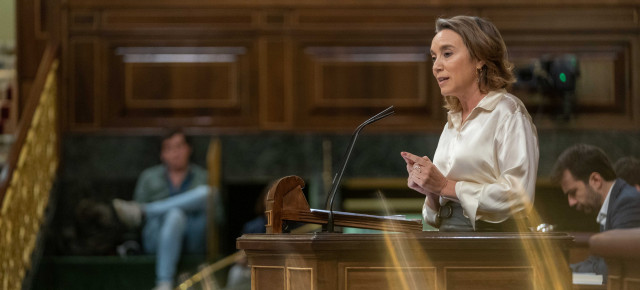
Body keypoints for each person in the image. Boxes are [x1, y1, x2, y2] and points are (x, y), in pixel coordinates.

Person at [401, 15, 539, 232]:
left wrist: (445, 186)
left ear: (479, 58)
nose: (437, 66)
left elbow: (518, 197)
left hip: (493, 246)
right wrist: (431, 191)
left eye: (447, 54)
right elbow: (433, 216)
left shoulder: (507, 112)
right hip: (450, 242)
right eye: (434, 57)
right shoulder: (452, 121)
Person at [112, 129, 213, 290]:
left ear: (189, 149)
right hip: (158, 239)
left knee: (206, 193)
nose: (175, 153)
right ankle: (164, 283)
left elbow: (219, 218)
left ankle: (146, 209)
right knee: (174, 215)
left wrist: (144, 213)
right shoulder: (148, 177)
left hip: (193, 238)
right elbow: (137, 225)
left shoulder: (204, 176)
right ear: (162, 154)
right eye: (169, 148)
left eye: (179, 146)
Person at [551, 144, 640, 278]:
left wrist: (565, 276)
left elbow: (610, 269)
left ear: (596, 180)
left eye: (573, 192)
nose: (571, 202)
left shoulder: (627, 202)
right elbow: (596, 263)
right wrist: (560, 273)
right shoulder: (612, 203)